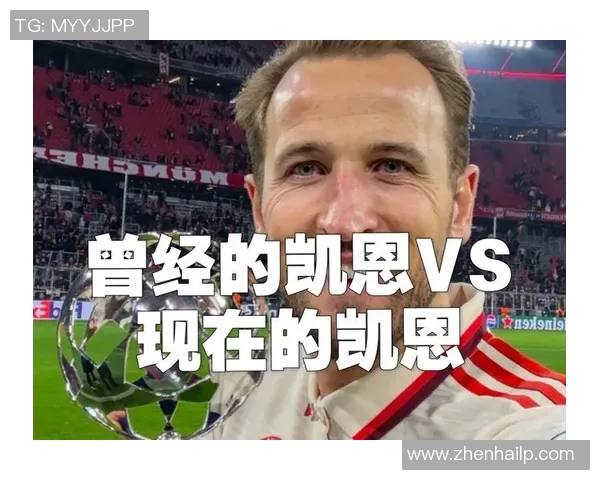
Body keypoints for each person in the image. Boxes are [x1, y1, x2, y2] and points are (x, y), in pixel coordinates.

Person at [205, 40, 566, 440]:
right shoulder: (244, 385)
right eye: (305, 169)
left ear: (460, 207)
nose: (345, 223)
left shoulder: (532, 431)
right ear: (259, 208)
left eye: (393, 166)